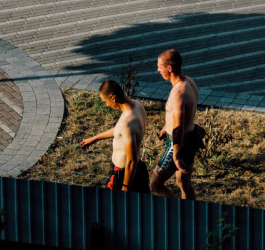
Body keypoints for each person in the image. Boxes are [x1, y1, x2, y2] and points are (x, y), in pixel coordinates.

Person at [150, 49, 203, 200]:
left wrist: (176, 155)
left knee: (155, 185)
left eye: (160, 67)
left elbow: (178, 128)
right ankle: (190, 213)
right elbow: (184, 114)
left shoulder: (178, 93)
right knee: (184, 183)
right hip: (191, 136)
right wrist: (167, 126)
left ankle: (176, 209)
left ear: (169, 68)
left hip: (178, 143)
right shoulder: (189, 82)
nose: (158, 70)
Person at [80, 80, 150, 193]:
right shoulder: (138, 106)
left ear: (113, 98)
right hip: (139, 170)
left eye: (106, 101)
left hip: (124, 174)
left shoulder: (127, 122)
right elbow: (119, 131)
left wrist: (125, 188)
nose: (106, 105)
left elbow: (131, 161)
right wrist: (94, 138)